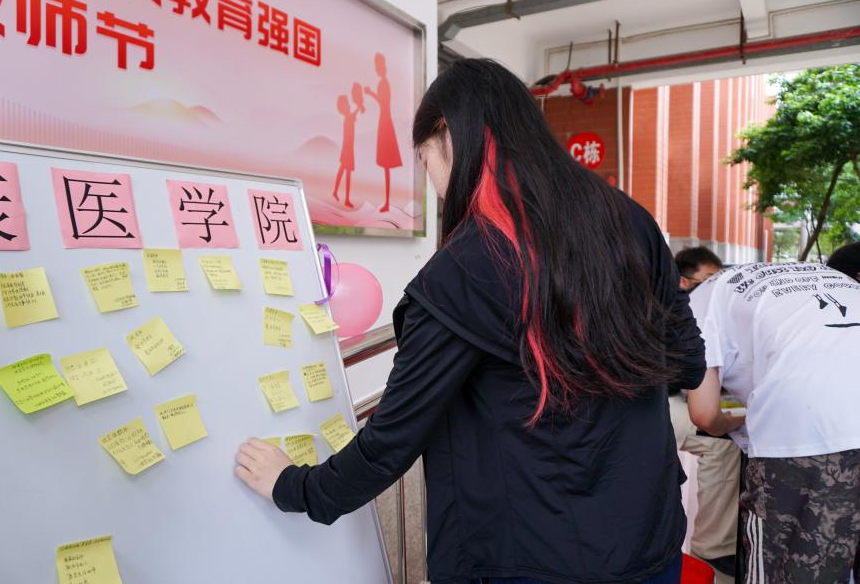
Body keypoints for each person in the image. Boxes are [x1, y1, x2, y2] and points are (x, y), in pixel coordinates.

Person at [234, 59, 706, 583]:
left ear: (448, 135)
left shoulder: (466, 267)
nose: (435, 185)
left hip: (530, 559)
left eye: (424, 160)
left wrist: (294, 486)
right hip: (649, 541)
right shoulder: (630, 220)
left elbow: (391, 441)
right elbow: (688, 363)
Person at [686, 262, 860, 583]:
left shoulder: (699, 302)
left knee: (788, 569)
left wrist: (736, 422)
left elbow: (704, 414)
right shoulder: (825, 276)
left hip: (805, 436)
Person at [668, 247, 740, 577]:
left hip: (672, 399)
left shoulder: (701, 306)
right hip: (657, 405)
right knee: (722, 442)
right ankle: (714, 549)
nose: (714, 287)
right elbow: (704, 414)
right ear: (684, 281)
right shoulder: (684, 310)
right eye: (708, 279)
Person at [364, 52, 402, 213]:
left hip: (385, 124)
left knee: (386, 166)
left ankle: (387, 201)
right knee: (385, 167)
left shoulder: (384, 82)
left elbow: (383, 102)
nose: (376, 69)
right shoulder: (383, 82)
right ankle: (386, 201)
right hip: (384, 122)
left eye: (377, 65)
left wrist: (370, 93)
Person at [332, 93, 360, 208]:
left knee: (343, 170)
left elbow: (355, 114)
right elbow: (354, 114)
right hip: (347, 149)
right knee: (346, 172)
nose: (349, 106)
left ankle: (336, 192)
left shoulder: (348, 117)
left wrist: (359, 106)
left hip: (348, 148)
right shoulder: (348, 118)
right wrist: (359, 106)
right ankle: (345, 197)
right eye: (347, 104)